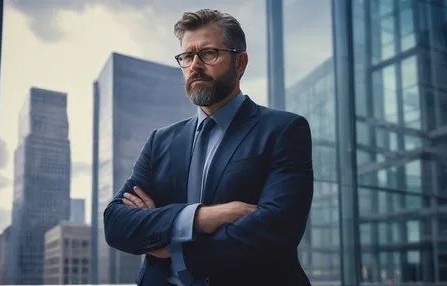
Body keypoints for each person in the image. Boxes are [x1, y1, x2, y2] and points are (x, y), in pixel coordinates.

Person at [104, 8, 313, 286]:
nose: (195, 65)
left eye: (209, 53)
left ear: (240, 63)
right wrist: (199, 218)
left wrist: (173, 246)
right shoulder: (160, 141)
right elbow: (116, 223)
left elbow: (276, 228)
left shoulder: (283, 130)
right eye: (187, 56)